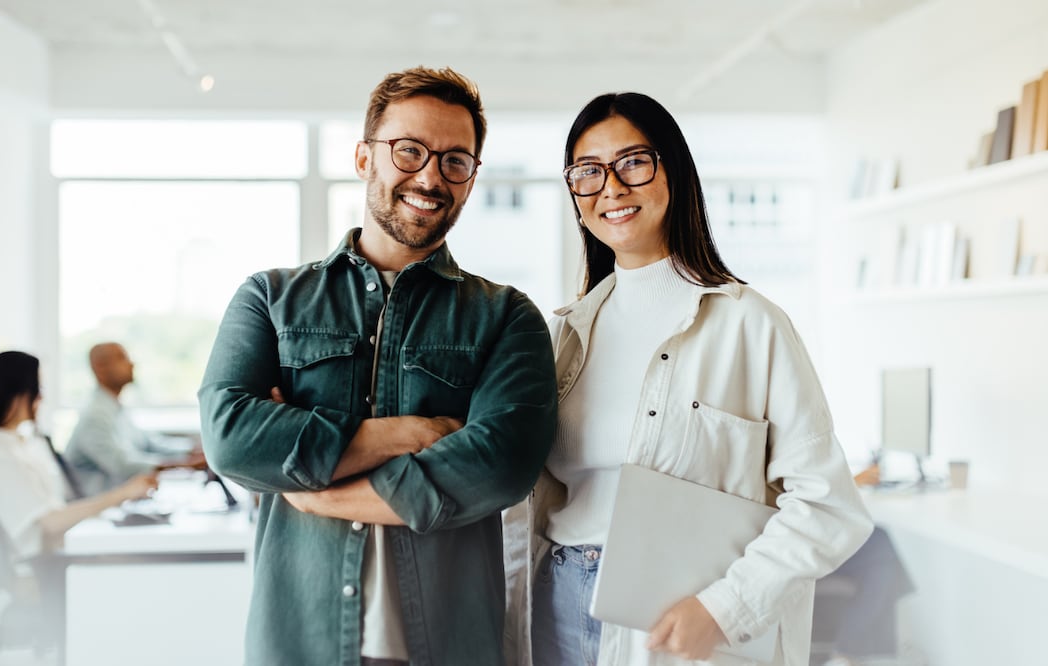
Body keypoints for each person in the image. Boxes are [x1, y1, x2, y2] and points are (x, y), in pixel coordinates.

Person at [198, 66, 557, 666]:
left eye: (455, 161)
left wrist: (317, 492)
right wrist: (405, 436)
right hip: (301, 644)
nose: (430, 176)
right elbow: (230, 438)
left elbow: (501, 465)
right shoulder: (268, 297)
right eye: (409, 151)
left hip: (446, 646)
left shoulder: (505, 317)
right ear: (365, 158)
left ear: (471, 180)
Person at [502, 92, 874, 666]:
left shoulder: (753, 325)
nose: (612, 188)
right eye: (588, 173)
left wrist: (727, 609)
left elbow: (828, 506)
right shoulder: (562, 335)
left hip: (678, 618)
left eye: (633, 162)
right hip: (555, 601)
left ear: (673, 170)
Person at [0, 351, 157, 560]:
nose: (42, 397)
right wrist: (122, 494)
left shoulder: (21, 442)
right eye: (38, 388)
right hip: (45, 564)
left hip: (61, 550)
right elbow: (49, 523)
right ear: (16, 392)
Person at [64, 342, 204, 495]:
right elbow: (121, 464)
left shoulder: (115, 408)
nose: (131, 364)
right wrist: (183, 464)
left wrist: (192, 450)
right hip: (97, 511)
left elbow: (149, 444)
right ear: (100, 368)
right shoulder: (95, 415)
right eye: (122, 358)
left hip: (120, 506)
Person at [813, 465, 914, 666]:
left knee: (880, 545)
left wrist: (849, 483)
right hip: (799, 540)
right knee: (882, 551)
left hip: (811, 529)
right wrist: (850, 484)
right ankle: (849, 652)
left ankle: (851, 652)